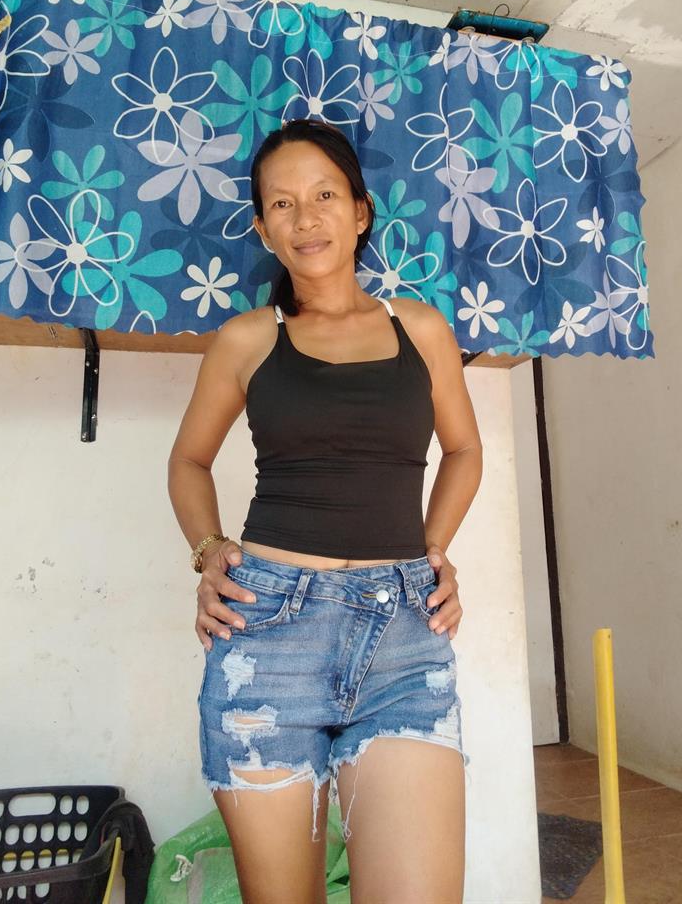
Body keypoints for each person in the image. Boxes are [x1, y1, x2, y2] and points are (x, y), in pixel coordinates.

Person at [167, 118, 483, 904]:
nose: (304, 218)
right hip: (267, 636)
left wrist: (433, 550)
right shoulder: (245, 339)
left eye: (324, 196)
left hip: (403, 643)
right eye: (281, 204)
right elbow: (188, 461)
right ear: (261, 228)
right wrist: (208, 549)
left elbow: (464, 450)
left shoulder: (420, 327)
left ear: (360, 211)